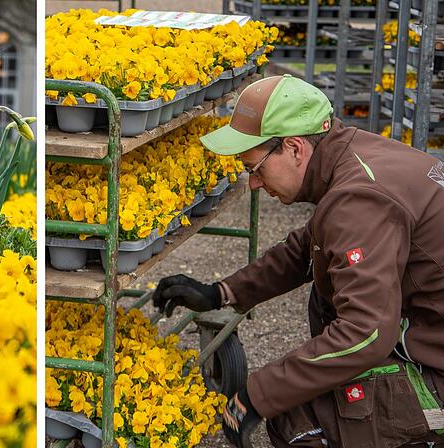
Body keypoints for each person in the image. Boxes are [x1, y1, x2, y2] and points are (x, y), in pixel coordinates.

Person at [153, 74, 444, 447]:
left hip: (434, 372)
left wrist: (256, 397)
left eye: (254, 169)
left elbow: (366, 333)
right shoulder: (355, 156)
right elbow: (306, 250)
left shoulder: (359, 199)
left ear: (294, 148)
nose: (254, 184)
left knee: (293, 413)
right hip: (429, 333)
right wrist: (220, 293)